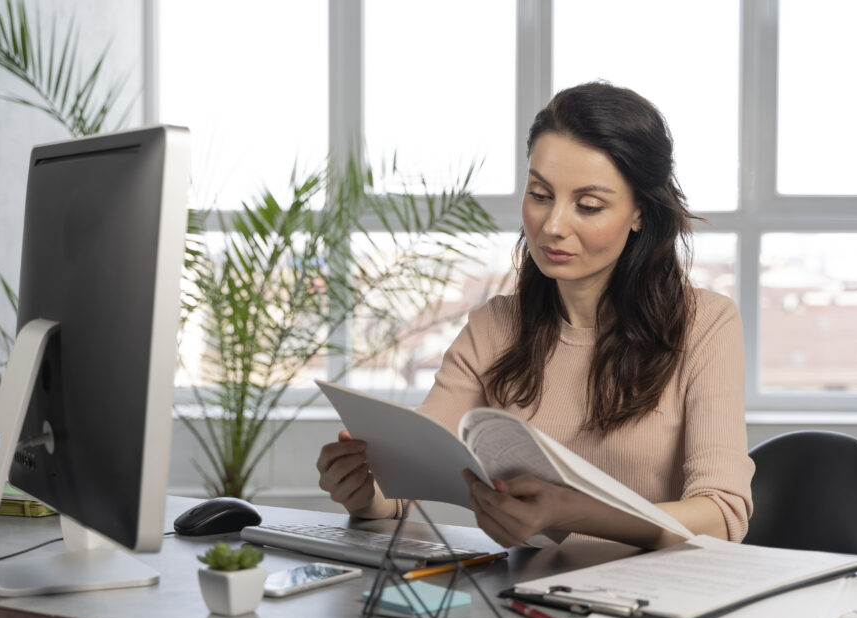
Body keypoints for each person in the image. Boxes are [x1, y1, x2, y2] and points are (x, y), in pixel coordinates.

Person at [316, 81, 753, 550]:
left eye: (588, 205)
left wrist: (575, 510)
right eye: (541, 194)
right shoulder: (493, 328)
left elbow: (721, 515)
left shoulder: (705, 325)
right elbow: (409, 475)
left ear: (639, 213)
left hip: (655, 592)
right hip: (524, 589)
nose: (553, 226)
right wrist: (367, 494)